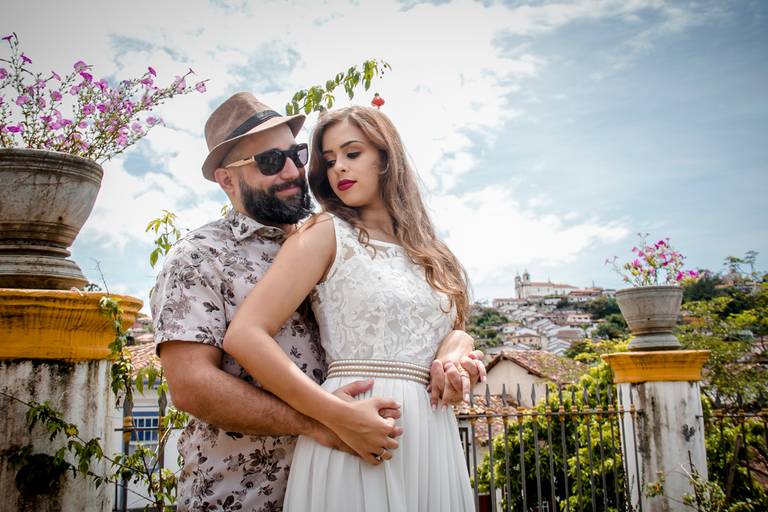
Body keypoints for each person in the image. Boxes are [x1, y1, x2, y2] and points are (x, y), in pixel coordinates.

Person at [151, 92, 483, 511]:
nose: (294, 170)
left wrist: (457, 348)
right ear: (226, 180)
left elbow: (415, 320)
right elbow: (193, 387)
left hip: (381, 448)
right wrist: (325, 420)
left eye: (297, 154)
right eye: (271, 161)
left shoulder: (325, 236)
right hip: (244, 491)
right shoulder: (201, 257)